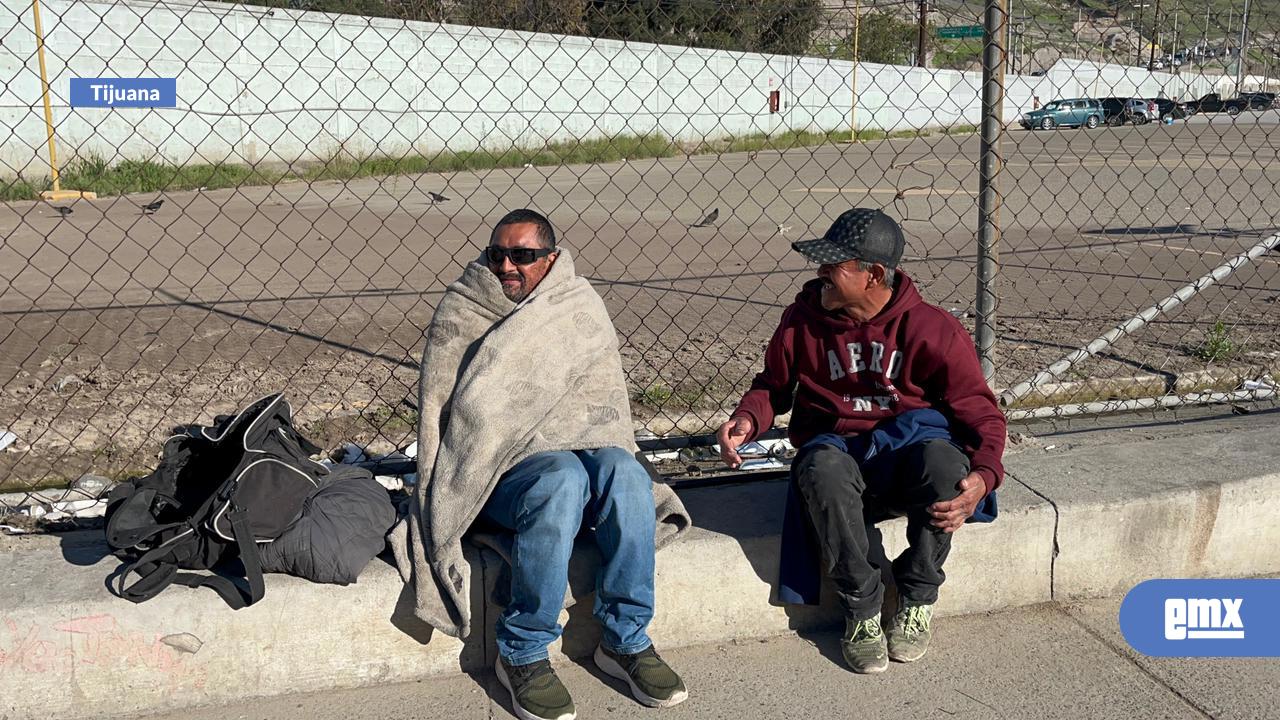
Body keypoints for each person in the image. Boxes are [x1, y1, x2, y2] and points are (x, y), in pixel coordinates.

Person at [390, 209, 691, 720]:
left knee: (625, 473)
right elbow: (448, 415)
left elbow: (602, 408)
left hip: (578, 462)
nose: (507, 266)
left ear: (550, 259)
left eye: (523, 256)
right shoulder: (463, 307)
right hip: (491, 477)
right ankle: (522, 650)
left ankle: (625, 639)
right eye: (497, 255)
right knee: (560, 478)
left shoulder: (577, 304)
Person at [716, 208, 1006, 674]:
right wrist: (749, 418)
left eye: (833, 264)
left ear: (873, 275)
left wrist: (985, 476)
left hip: (905, 461)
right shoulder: (802, 320)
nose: (820, 272)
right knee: (820, 467)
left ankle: (917, 596)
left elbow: (980, 411)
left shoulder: (932, 329)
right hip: (839, 456)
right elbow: (773, 386)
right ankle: (862, 609)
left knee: (946, 465)